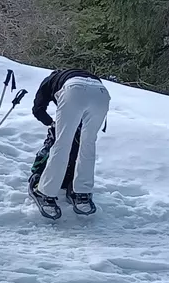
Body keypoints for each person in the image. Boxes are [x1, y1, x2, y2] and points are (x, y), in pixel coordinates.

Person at [28, 66, 109, 218]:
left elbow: (38, 109)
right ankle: (82, 192)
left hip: (74, 89)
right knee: (88, 144)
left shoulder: (50, 81)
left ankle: (46, 192)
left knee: (62, 144)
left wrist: (51, 123)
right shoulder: (83, 74)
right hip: (101, 93)